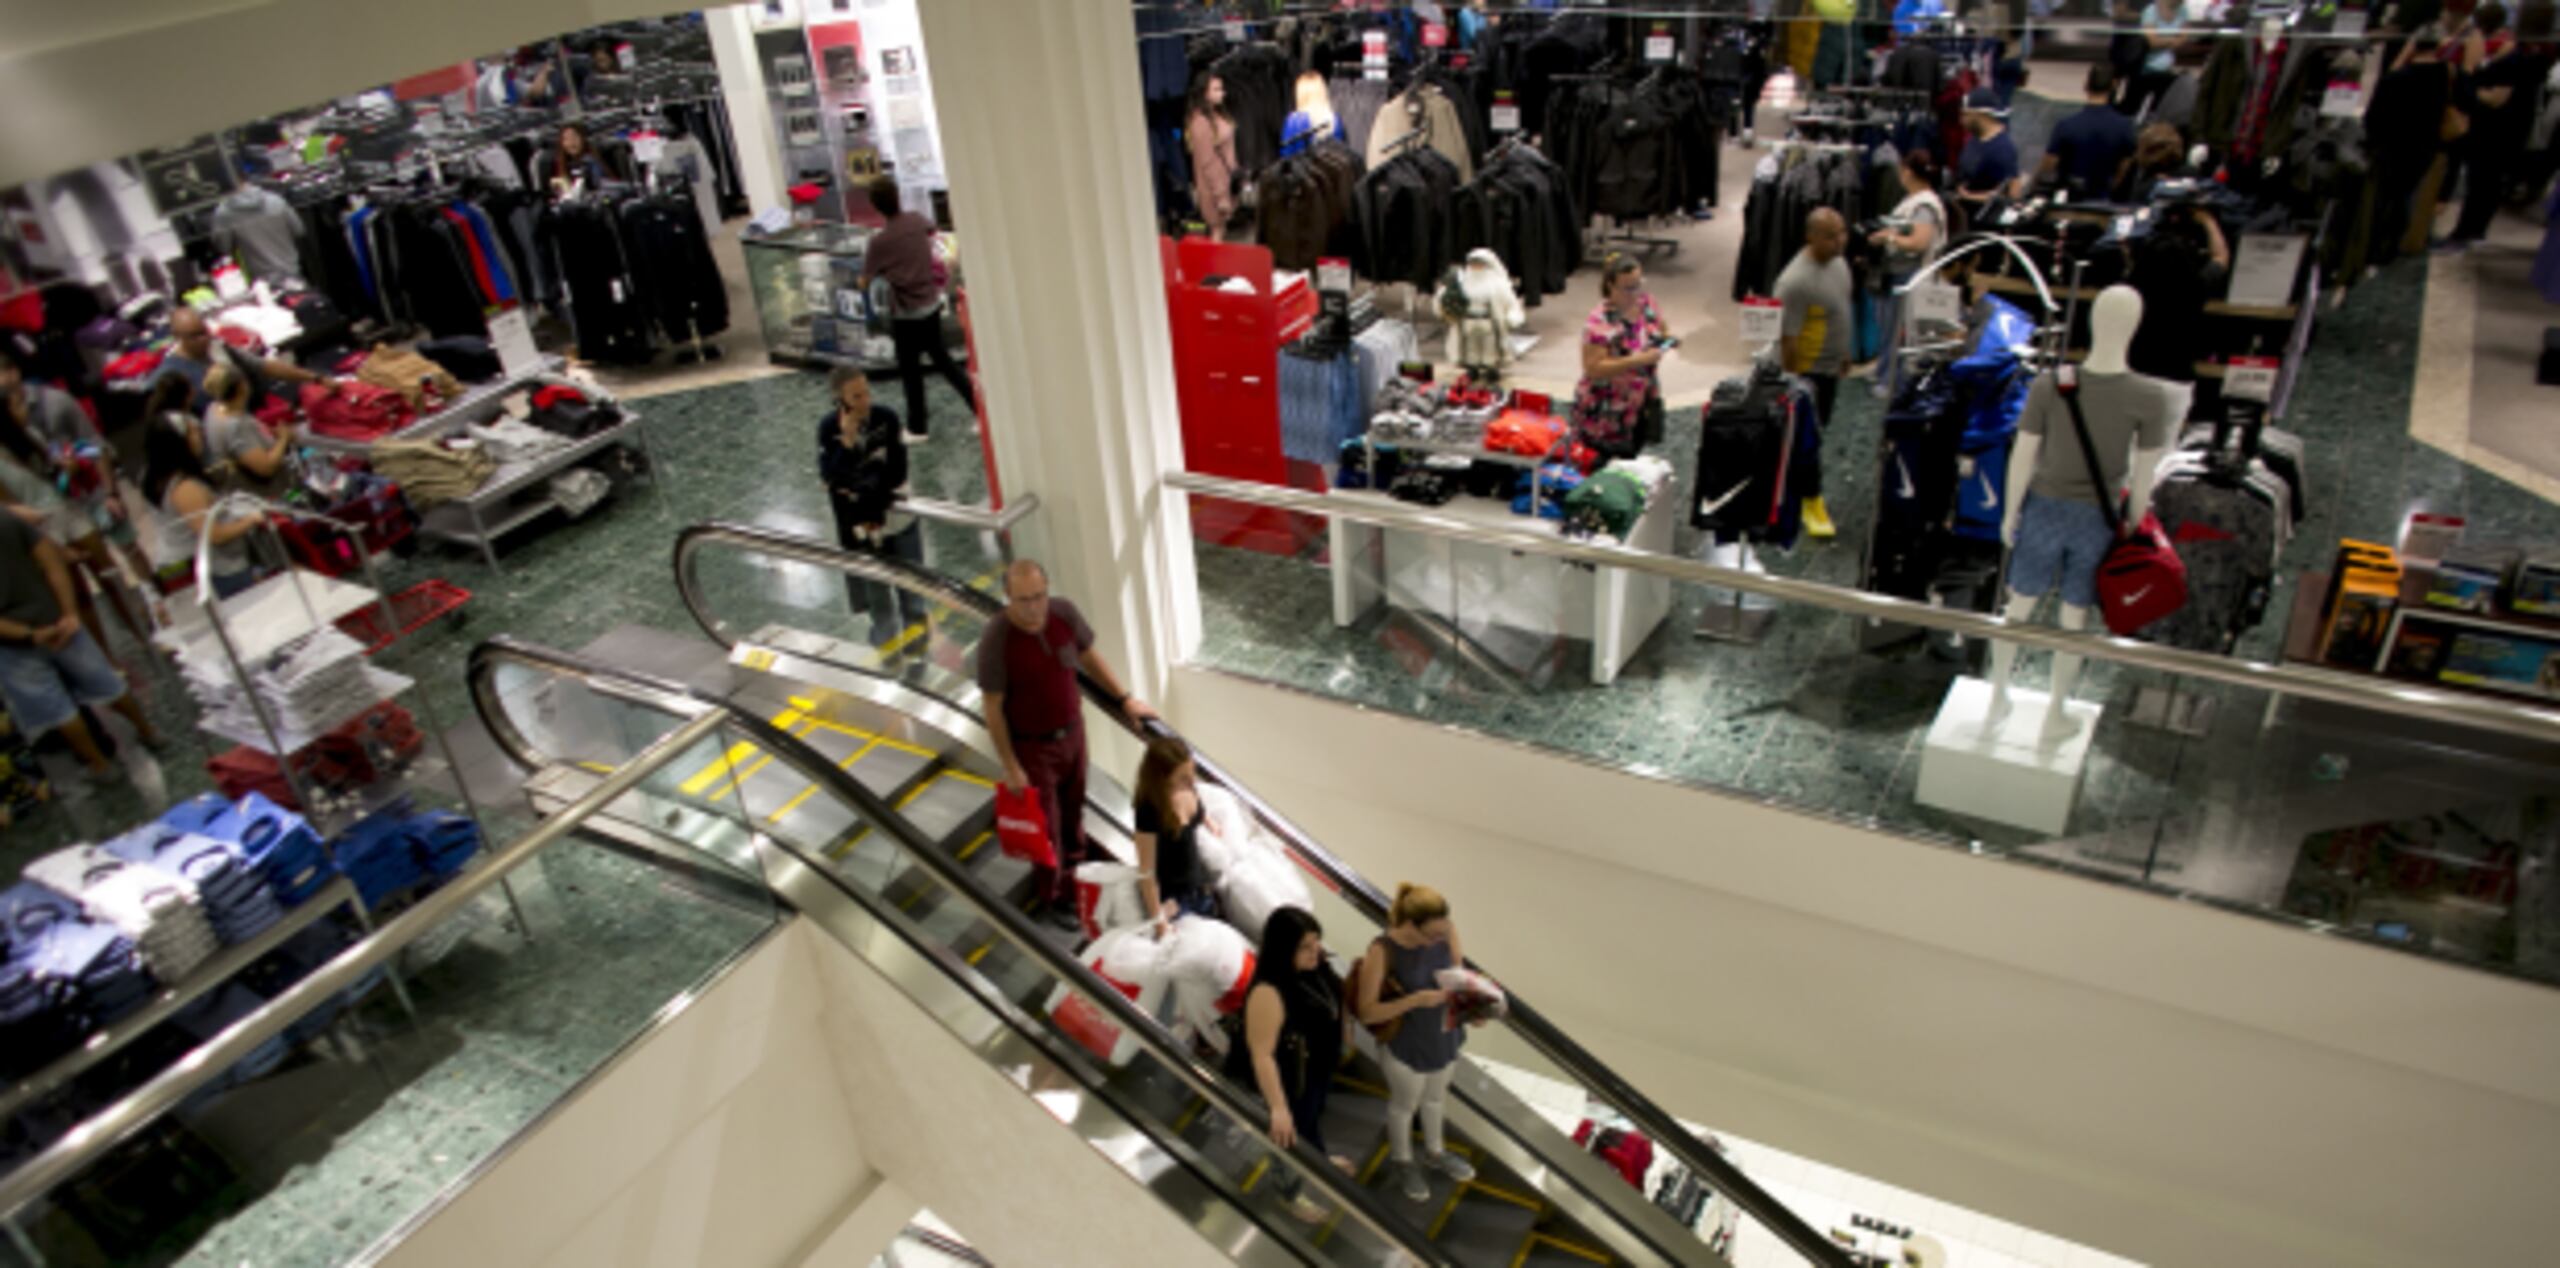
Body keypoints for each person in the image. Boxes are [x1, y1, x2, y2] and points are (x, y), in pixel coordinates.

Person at [975, 560, 1157, 929]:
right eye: (1024, 599)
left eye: (1039, 596)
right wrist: (1012, 766)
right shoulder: (997, 639)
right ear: (1008, 596)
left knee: (1074, 813)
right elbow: (992, 707)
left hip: (1073, 734)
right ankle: (1053, 896)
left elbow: (1089, 657)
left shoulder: (1064, 614)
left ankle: (1076, 879)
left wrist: (1124, 699)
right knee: (1048, 826)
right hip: (1033, 747)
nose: (1034, 607)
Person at [0, 356, 151, 650]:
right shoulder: (8, 434)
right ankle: (110, 654)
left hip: (82, 498)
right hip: (46, 514)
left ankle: (148, 628)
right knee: (77, 593)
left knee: (116, 566)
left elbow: (92, 444)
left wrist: (108, 491)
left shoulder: (53, 402)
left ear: (14, 371)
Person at [0, 510, 164, 782]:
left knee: (58, 710)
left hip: (14, 644)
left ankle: (100, 766)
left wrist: (30, 635)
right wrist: (69, 612)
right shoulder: (8, 520)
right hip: (57, 618)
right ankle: (149, 732)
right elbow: (53, 564)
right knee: (107, 684)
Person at [1356, 882, 1477, 1204]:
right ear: (1410, 925)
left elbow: (1458, 979)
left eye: (1443, 932)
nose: (1439, 939)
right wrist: (1415, 1001)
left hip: (1443, 1035)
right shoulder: (1383, 951)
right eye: (1432, 935)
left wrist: (1474, 1007)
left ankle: (1435, 1153)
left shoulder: (1446, 931)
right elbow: (1367, 1012)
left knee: (1436, 1099)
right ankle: (1403, 1160)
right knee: (1405, 1105)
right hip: (1406, 1043)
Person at [1229, 905, 1351, 1224]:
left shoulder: (1315, 968)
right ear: (1285, 949)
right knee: (1289, 1136)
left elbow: (1331, 1002)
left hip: (1315, 1071)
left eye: (1316, 943)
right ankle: (1288, 1193)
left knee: (1310, 1122)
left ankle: (1318, 1159)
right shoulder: (1269, 992)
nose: (1316, 952)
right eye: (1305, 947)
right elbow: (1262, 1054)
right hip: (1289, 1080)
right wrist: (1278, 1108)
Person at [857, 178, 974, 442]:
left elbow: (865, 280)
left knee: (911, 372)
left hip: (905, 315)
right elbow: (932, 233)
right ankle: (978, 409)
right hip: (930, 305)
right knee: (944, 362)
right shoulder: (917, 221)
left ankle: (918, 427)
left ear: (876, 207)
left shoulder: (879, 243)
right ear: (898, 196)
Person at [817, 365, 924, 646]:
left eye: (866, 393)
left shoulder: (886, 418)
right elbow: (831, 475)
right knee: (879, 605)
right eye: (856, 397)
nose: (865, 401)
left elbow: (897, 470)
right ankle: (886, 658)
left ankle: (918, 651)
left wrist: (859, 486)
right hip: (861, 527)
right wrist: (848, 443)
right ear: (840, 400)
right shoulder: (829, 430)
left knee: (913, 593)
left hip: (897, 519)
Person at [1777, 208, 1852, 539]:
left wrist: (1844, 352)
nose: (1840, 241)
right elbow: (1788, 338)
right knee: (1806, 439)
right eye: (1831, 236)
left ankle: (1799, 486)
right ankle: (1809, 497)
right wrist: (1795, 383)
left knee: (1816, 434)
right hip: (1807, 373)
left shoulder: (1838, 263)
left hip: (1829, 368)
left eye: (1842, 233)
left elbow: (1840, 311)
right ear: (1811, 237)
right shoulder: (1795, 282)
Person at [2440, 6, 2535, 250]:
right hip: (2491, 128)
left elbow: (2496, 98)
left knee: (2485, 183)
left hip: (2499, 131)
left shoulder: (2514, 58)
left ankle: (2469, 233)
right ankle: (2468, 231)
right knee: (2480, 182)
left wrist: (2470, 87)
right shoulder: (2511, 54)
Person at [143, 412, 263, 599]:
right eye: (192, 433)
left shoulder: (152, 476)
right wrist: (251, 519)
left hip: (179, 564)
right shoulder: (184, 488)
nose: (199, 436)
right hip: (212, 571)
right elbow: (214, 535)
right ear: (178, 443)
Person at [2366, 35, 2454, 267]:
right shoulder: (2446, 74)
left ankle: (2376, 247)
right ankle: (2393, 245)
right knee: (2405, 195)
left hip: (2391, 145)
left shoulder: (2397, 78)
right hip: (2425, 146)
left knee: (2384, 197)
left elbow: (2373, 115)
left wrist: (2402, 57)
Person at [1868, 150, 1948, 403]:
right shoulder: (1914, 200)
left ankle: (1891, 382)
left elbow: (1919, 242)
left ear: (1909, 172)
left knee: (1897, 331)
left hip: (1909, 276)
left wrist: (1888, 237)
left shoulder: (1925, 205)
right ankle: (1884, 372)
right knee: (1887, 327)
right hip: (1897, 274)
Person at [1571, 253, 1667, 461]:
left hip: (1640, 399)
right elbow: (1593, 367)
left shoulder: (1646, 303)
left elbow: (1662, 327)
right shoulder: (1599, 321)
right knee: (1601, 465)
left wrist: (1666, 341)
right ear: (1610, 286)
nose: (1635, 293)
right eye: (1627, 288)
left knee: (1633, 455)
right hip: (1605, 406)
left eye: (1638, 284)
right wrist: (1639, 360)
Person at [155, 307, 321, 416]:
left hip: (252, 418)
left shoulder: (218, 347)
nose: (204, 339)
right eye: (194, 336)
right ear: (177, 337)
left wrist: (315, 378)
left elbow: (262, 365)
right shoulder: (169, 374)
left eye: (204, 332)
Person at [1132, 736, 1220, 934]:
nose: (1191, 781)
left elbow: (1198, 813)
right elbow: (1146, 872)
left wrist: (1208, 822)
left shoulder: (1188, 787)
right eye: (1182, 777)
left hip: (1202, 891)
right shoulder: (1149, 809)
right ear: (1163, 778)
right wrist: (1159, 921)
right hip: (1176, 903)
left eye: (1192, 772)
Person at [2039, 65, 2139, 199]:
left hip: (2070, 194)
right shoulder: (2125, 126)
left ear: (2086, 86)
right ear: (2114, 87)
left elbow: (2049, 163)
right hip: (2104, 196)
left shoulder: (2067, 125)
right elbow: (2125, 165)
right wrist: (2114, 185)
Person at [201, 363, 299, 499]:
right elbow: (266, 468)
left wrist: (270, 432)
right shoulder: (236, 426)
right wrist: (284, 438)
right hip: (271, 492)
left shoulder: (214, 408)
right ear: (242, 386)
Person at [1185, 74, 1240, 239]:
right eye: (1216, 89)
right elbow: (1208, 162)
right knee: (1217, 231)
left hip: (1226, 182)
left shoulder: (1216, 114)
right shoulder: (1200, 122)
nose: (1222, 93)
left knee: (1221, 230)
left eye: (1221, 89)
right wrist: (1221, 196)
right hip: (1215, 189)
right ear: (1204, 93)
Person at [1955, 87, 2022, 211]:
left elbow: (2012, 193)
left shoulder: (2002, 149)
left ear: (1980, 116)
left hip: (1983, 221)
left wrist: (1968, 197)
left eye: (1965, 114)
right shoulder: (1976, 138)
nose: (1961, 120)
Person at [2128, 0, 2188, 119]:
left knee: (2158, 111)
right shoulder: (2151, 11)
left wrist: (2164, 40)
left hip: (2166, 69)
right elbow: (2152, 42)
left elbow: (2183, 38)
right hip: (2145, 69)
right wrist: (2172, 40)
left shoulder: (2183, 10)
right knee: (2133, 108)